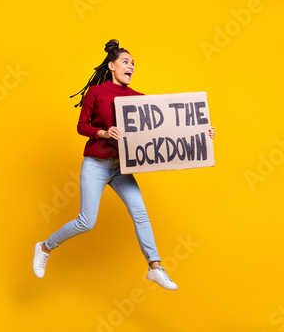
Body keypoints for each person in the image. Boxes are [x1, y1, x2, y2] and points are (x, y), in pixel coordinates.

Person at [33, 39, 215, 290]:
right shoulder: (96, 93)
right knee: (86, 222)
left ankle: (155, 268)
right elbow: (81, 126)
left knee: (140, 213)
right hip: (96, 164)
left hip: (121, 167)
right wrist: (104, 134)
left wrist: (199, 133)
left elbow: (161, 130)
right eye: (126, 62)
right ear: (112, 66)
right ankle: (44, 247)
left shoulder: (138, 99)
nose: (131, 67)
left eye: (133, 64)